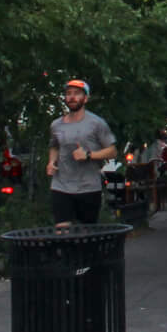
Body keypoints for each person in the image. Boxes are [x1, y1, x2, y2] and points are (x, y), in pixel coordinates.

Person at [45, 79, 117, 225]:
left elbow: (112, 151)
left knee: (86, 235)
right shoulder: (56, 125)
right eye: (68, 94)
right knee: (62, 231)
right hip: (61, 186)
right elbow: (54, 146)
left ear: (86, 98)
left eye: (77, 94)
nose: (72, 97)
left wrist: (89, 155)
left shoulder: (97, 123)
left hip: (88, 187)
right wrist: (51, 162)